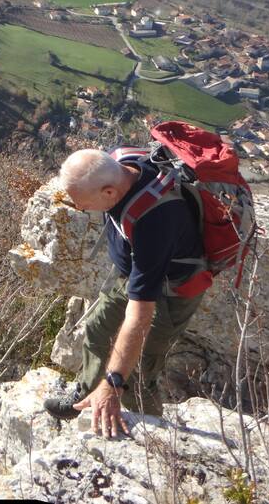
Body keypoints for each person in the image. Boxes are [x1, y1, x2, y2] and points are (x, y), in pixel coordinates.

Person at [43, 148, 205, 438]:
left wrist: (115, 381)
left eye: (82, 203)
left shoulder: (154, 220)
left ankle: (150, 433)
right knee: (97, 327)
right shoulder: (121, 162)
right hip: (135, 273)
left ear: (108, 192)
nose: (79, 209)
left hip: (170, 290)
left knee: (140, 372)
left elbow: (140, 317)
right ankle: (85, 394)